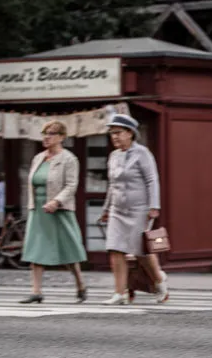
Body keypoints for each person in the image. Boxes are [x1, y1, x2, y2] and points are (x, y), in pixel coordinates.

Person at [100, 114, 167, 305]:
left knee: (141, 251)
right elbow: (112, 185)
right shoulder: (114, 156)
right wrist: (106, 208)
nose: (115, 137)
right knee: (115, 249)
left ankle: (159, 281)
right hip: (117, 209)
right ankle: (119, 293)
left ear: (130, 133)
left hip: (139, 208)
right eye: (112, 133)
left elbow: (152, 179)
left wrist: (154, 206)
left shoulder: (142, 153)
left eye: (118, 133)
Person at [18, 120, 87, 304]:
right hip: (39, 209)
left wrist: (56, 201)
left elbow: (72, 185)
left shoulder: (69, 159)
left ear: (62, 137)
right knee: (36, 249)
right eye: (45, 133)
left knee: (68, 249)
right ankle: (36, 291)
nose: (46, 137)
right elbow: (32, 182)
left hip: (59, 209)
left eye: (51, 133)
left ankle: (80, 284)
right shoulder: (38, 158)